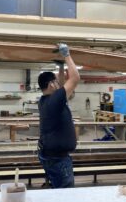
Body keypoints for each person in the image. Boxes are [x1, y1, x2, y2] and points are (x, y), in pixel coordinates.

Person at [37, 43, 80, 188]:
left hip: (51, 155)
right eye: (55, 81)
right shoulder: (54, 101)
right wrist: (67, 55)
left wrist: (61, 67)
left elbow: (62, 87)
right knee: (65, 194)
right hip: (58, 160)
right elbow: (75, 78)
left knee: (57, 190)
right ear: (50, 85)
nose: (58, 84)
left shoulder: (45, 100)